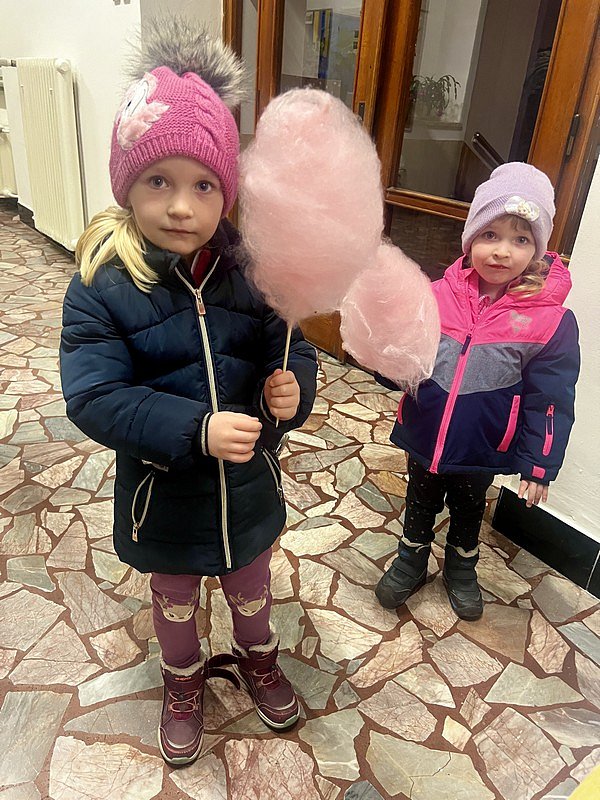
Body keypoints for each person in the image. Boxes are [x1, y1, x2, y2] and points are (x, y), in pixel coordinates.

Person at [60, 20, 317, 766]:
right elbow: (94, 395)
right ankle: (182, 679)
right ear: (127, 185)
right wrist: (197, 428)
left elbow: (291, 346)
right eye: (159, 182)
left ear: (225, 193)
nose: (182, 206)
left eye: (203, 185)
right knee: (174, 597)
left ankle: (258, 657)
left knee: (252, 586)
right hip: (165, 492)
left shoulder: (255, 272)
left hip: (248, 488)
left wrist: (293, 388)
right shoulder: (102, 285)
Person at [375, 162, 580, 621]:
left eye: (520, 239)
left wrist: (540, 463)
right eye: (490, 234)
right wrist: (383, 354)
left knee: (469, 509)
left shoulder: (550, 321)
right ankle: (411, 557)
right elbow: (406, 359)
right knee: (420, 499)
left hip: (483, 443)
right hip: (425, 430)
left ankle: (461, 565)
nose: (502, 251)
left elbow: (550, 399)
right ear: (470, 238)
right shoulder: (434, 295)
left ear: (537, 248)